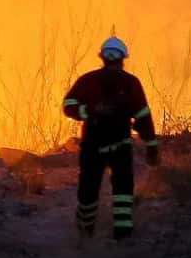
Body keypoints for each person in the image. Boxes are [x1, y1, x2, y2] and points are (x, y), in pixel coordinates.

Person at [62, 36, 159, 240]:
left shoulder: (100, 81)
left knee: (110, 193)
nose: (113, 59)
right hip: (101, 147)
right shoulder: (119, 82)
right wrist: (90, 110)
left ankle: (105, 238)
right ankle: (103, 239)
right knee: (102, 193)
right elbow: (68, 105)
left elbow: (142, 115)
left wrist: (152, 146)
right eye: (111, 55)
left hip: (105, 147)